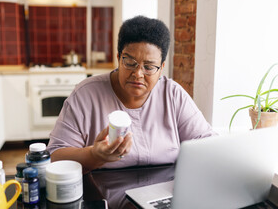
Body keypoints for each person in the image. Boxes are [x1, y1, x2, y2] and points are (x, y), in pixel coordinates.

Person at [47, 15, 215, 173]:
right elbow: (55, 157)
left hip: (162, 195)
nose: (138, 74)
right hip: (102, 198)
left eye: (149, 67)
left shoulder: (172, 95)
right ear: (118, 58)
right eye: (129, 63)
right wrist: (94, 155)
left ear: (161, 67)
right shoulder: (85, 95)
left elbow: (208, 144)